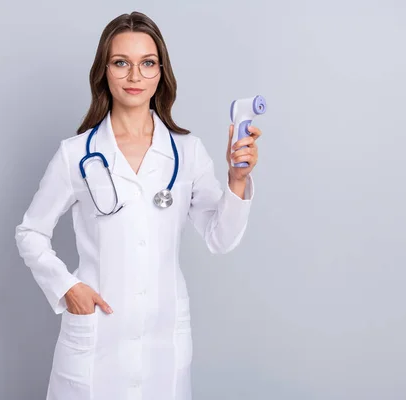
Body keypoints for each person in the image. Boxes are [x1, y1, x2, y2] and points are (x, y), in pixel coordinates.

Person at [14, 11, 262, 400]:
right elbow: (31, 233)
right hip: (96, 338)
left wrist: (237, 181)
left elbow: (221, 238)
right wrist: (67, 287)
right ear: (104, 71)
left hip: (163, 340)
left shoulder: (187, 151)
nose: (134, 77)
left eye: (147, 63)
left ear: (161, 72)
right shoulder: (76, 154)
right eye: (121, 63)